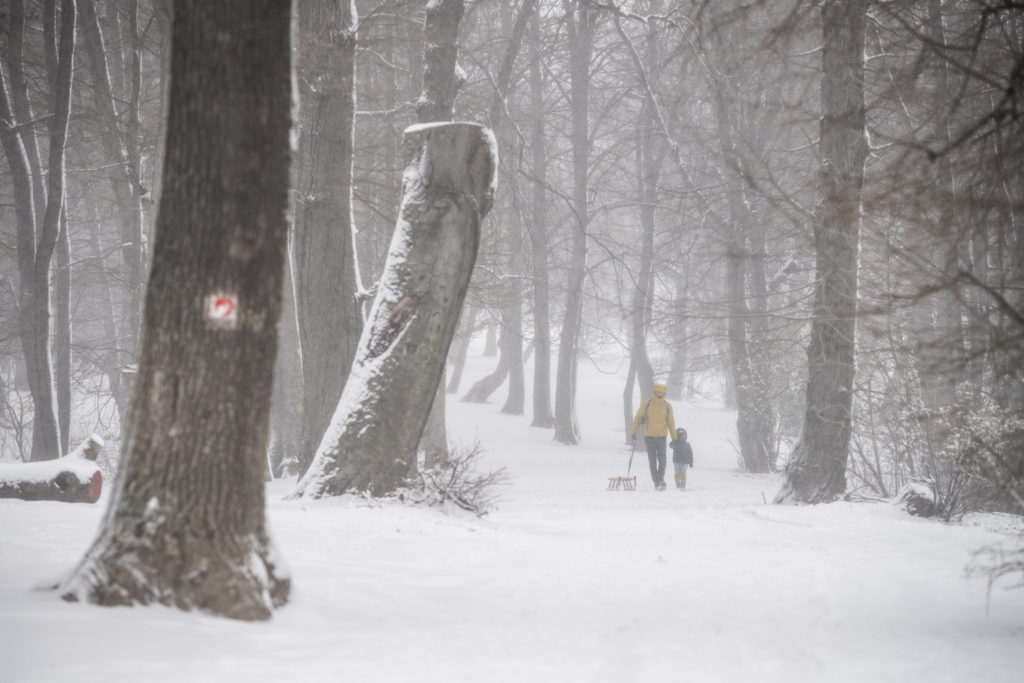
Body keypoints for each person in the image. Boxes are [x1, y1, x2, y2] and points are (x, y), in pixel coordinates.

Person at [631, 383, 676, 490]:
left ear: (665, 393)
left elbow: (671, 423)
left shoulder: (667, 406)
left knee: (663, 461)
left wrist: (674, 439)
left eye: (662, 392)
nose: (660, 394)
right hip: (649, 436)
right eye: (658, 392)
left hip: (662, 437)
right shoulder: (647, 403)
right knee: (652, 461)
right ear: (654, 392)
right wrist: (634, 434)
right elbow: (637, 418)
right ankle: (657, 482)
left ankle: (660, 479)